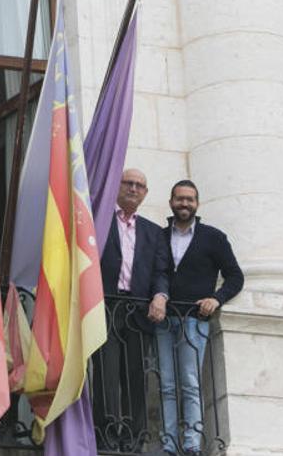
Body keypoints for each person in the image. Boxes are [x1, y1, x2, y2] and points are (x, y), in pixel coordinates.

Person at [157, 180, 244, 456]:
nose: (184, 204)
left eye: (190, 199)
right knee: (167, 384)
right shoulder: (159, 236)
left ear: (197, 203)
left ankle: (192, 444)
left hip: (195, 320)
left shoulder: (213, 237)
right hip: (162, 320)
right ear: (171, 202)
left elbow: (235, 276)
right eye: (180, 199)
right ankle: (169, 444)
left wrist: (216, 299)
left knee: (191, 383)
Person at [93, 168, 171, 452]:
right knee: (107, 374)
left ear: (146, 193)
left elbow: (161, 271)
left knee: (137, 376)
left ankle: (135, 438)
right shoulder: (99, 220)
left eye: (140, 185)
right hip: (107, 307)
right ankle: (107, 435)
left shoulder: (153, 231)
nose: (134, 189)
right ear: (117, 186)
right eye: (129, 183)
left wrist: (160, 296)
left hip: (139, 311)